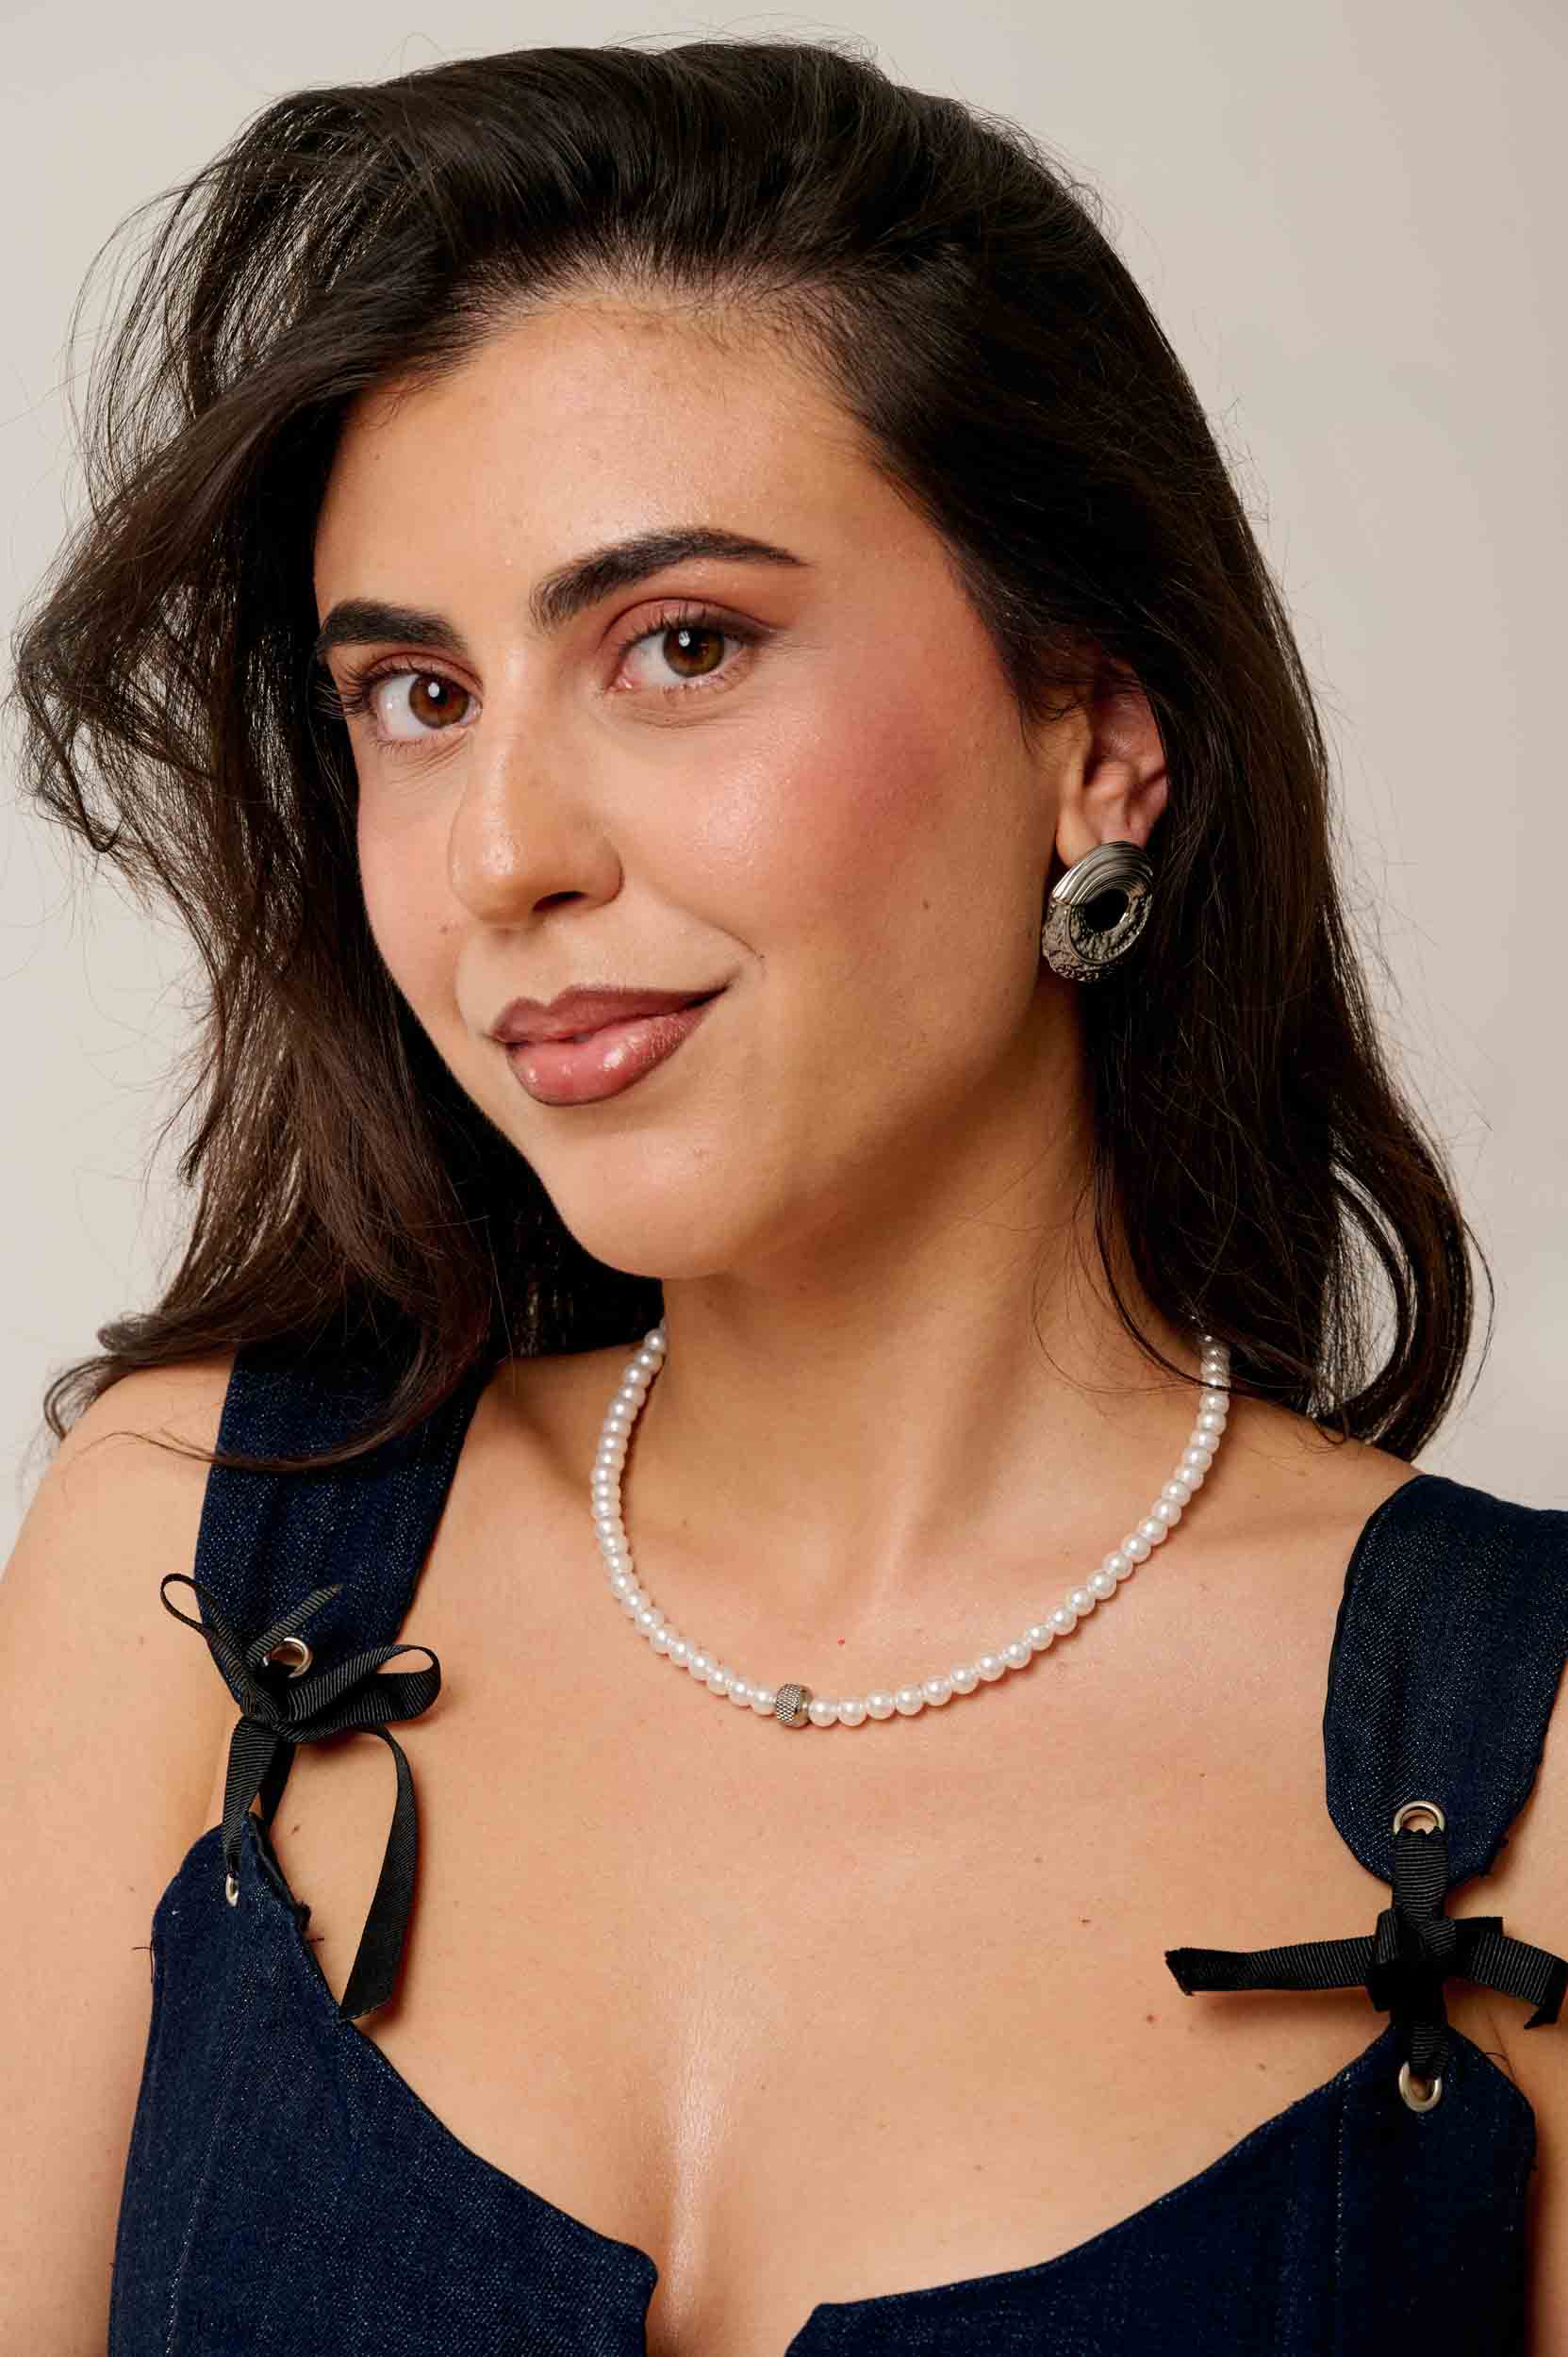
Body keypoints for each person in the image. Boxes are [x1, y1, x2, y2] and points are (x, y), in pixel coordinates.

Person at [3, 35, 1566, 2357]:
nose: (504, 851)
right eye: (415, 693)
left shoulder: (1529, 1764)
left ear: (1095, 738)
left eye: (681, 646)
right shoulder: (189, 1562)